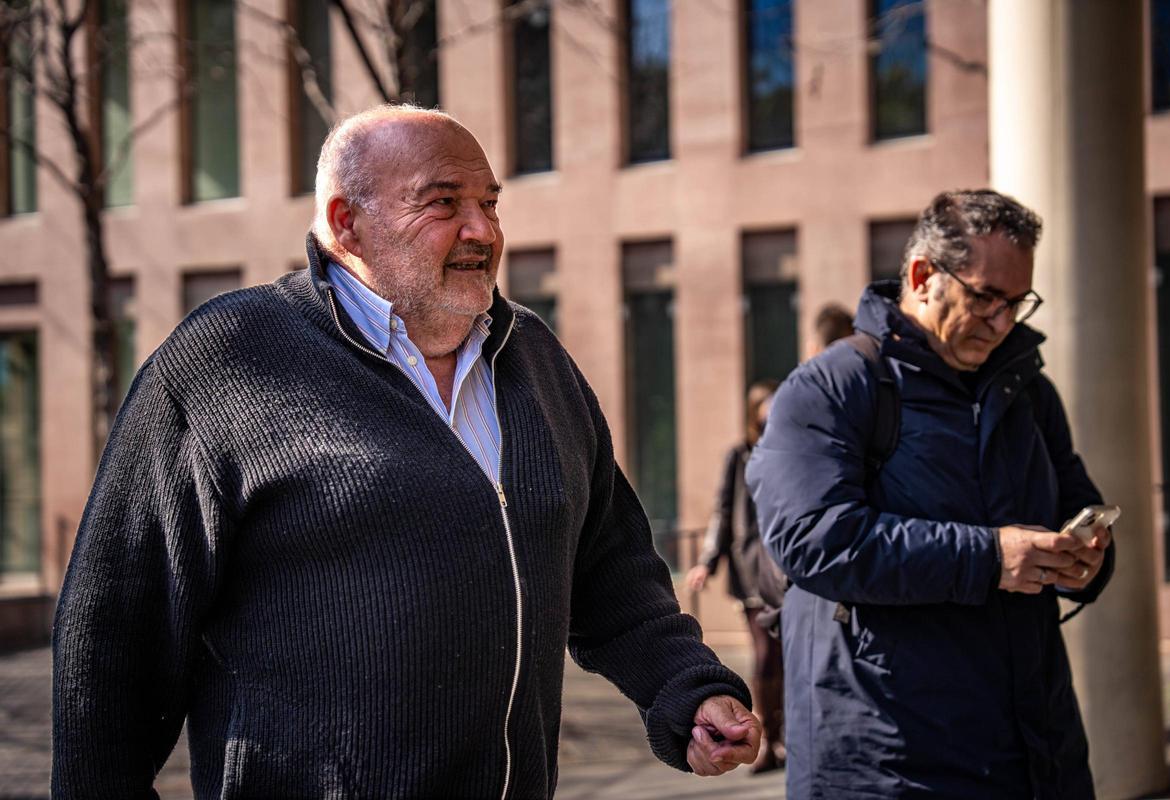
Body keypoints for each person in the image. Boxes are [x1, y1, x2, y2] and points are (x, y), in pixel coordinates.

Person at [52, 105, 760, 798]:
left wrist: (686, 687)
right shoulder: (228, 359)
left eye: (489, 203)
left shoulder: (535, 358)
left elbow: (610, 570)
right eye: (443, 203)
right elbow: (115, 630)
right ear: (345, 223)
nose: (483, 230)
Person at [746, 189, 1115, 799]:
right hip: (886, 761)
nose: (1003, 322)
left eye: (1017, 302)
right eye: (985, 297)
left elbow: (1074, 503)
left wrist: (1087, 561)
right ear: (922, 277)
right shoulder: (832, 386)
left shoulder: (1029, 391)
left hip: (1037, 754)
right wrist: (989, 558)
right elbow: (811, 541)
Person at [686, 380, 785, 774]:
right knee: (764, 657)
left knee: (790, 658)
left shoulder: (789, 449)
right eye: (766, 405)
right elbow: (723, 511)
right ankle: (770, 738)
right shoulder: (740, 455)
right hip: (753, 572)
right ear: (755, 411)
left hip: (789, 572)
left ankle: (786, 739)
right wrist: (708, 561)